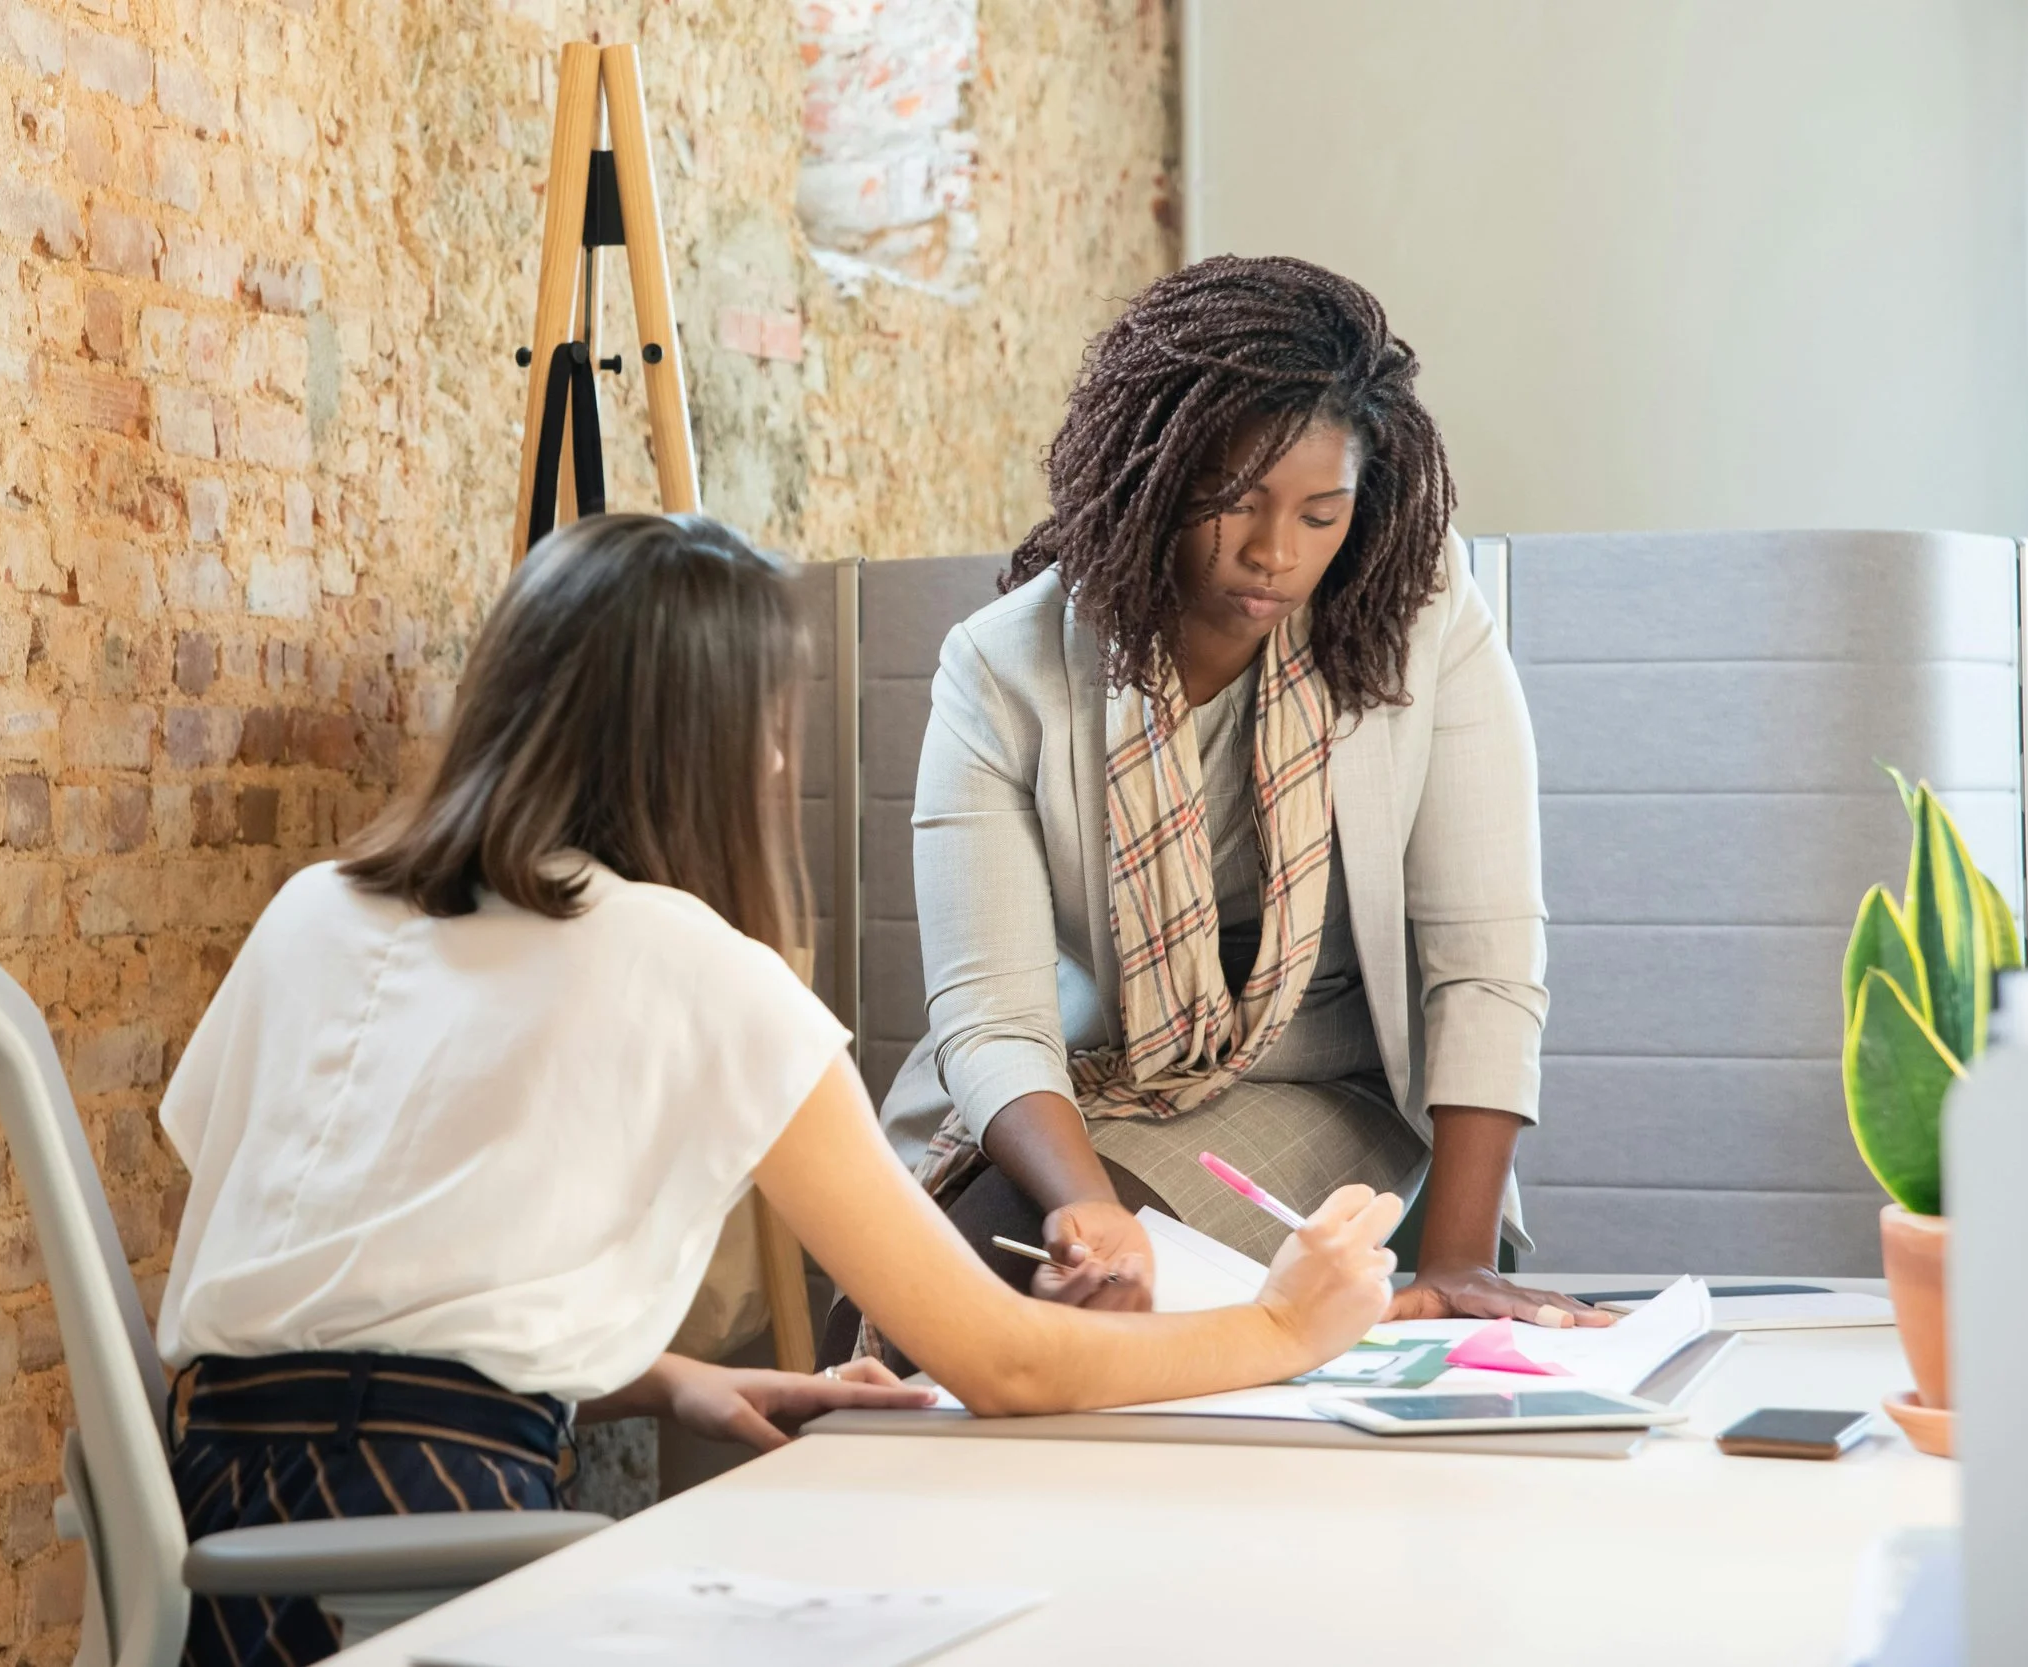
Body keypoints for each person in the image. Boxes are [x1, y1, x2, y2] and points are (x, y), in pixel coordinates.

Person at [155, 512, 1405, 1664]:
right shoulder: (699, 967)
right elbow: (1003, 1363)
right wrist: (1284, 1328)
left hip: (221, 1525)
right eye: (764, 718)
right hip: (433, 1536)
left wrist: (669, 1379)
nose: (768, 756)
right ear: (693, 739)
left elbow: (325, 1293)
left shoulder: (315, 908)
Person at [832, 256, 1605, 1367]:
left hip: (1330, 1089)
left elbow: (1482, 960)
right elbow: (994, 1018)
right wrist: (1083, 1212)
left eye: (1319, 514)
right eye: (1236, 502)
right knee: (932, 1318)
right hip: (1080, 1087)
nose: (1274, 554)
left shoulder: (1415, 613)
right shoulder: (1003, 669)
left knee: (1054, 1328)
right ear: (1151, 473)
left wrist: (1454, 1259)